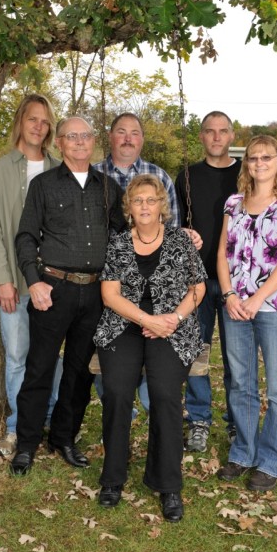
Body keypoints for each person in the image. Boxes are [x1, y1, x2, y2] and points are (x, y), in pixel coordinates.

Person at [10, 117, 125, 476]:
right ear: (59, 143)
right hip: (53, 289)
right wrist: (34, 281)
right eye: (71, 136)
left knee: (79, 371)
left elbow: (125, 236)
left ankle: (63, 437)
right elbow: (26, 236)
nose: (79, 141)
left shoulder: (108, 187)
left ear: (94, 141)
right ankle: (26, 443)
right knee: (39, 368)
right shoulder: (44, 185)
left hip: (95, 292)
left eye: (85, 135)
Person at [93, 174, 207, 522]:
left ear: (162, 206)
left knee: (164, 393)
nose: (144, 206)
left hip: (172, 327)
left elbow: (198, 288)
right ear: (129, 207)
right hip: (124, 325)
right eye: (138, 200)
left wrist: (173, 318)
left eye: (151, 200)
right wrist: (147, 319)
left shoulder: (180, 240)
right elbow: (110, 295)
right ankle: (113, 478)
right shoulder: (117, 243)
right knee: (116, 390)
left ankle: (168, 484)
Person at [216, 135, 277, 492]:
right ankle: (243, 452)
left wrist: (257, 299)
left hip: (275, 308)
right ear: (246, 163)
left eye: (266, 157)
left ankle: (272, 460)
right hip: (235, 307)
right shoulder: (234, 203)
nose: (259, 163)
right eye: (253, 158)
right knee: (241, 383)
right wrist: (229, 295)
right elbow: (223, 253)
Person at [0, 93, 62, 457]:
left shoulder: (59, 168)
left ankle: (48, 420)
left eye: (45, 121)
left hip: (54, 282)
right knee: (17, 356)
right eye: (32, 119)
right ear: (20, 121)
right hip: (14, 280)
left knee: (52, 357)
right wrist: (3, 279)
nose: (38, 127)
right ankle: (17, 427)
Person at [93, 112, 182, 415]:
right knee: (109, 351)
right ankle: (119, 410)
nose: (128, 138)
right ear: (110, 137)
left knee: (154, 349)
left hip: (151, 286)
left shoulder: (159, 177)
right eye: (121, 131)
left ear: (142, 139)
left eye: (134, 133)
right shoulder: (94, 175)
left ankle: (150, 404)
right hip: (105, 283)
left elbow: (172, 230)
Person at [175, 111, 241, 452]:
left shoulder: (246, 173)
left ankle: (236, 422)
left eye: (222, 131)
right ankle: (199, 419)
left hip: (236, 283)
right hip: (196, 281)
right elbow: (173, 224)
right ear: (200, 136)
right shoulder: (187, 176)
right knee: (196, 354)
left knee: (236, 358)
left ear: (232, 135)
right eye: (209, 131)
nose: (216, 137)